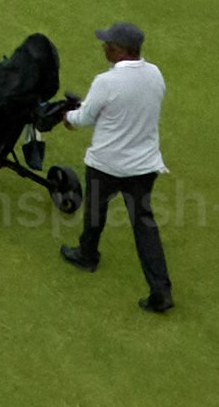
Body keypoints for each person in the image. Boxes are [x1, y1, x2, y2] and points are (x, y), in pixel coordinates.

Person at [60, 21, 174, 313]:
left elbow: (84, 118)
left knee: (95, 212)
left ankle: (87, 256)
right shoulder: (155, 74)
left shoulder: (106, 82)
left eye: (108, 44)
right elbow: (123, 110)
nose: (104, 47)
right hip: (144, 166)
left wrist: (69, 117)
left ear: (122, 50)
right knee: (144, 225)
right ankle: (160, 290)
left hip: (107, 164)